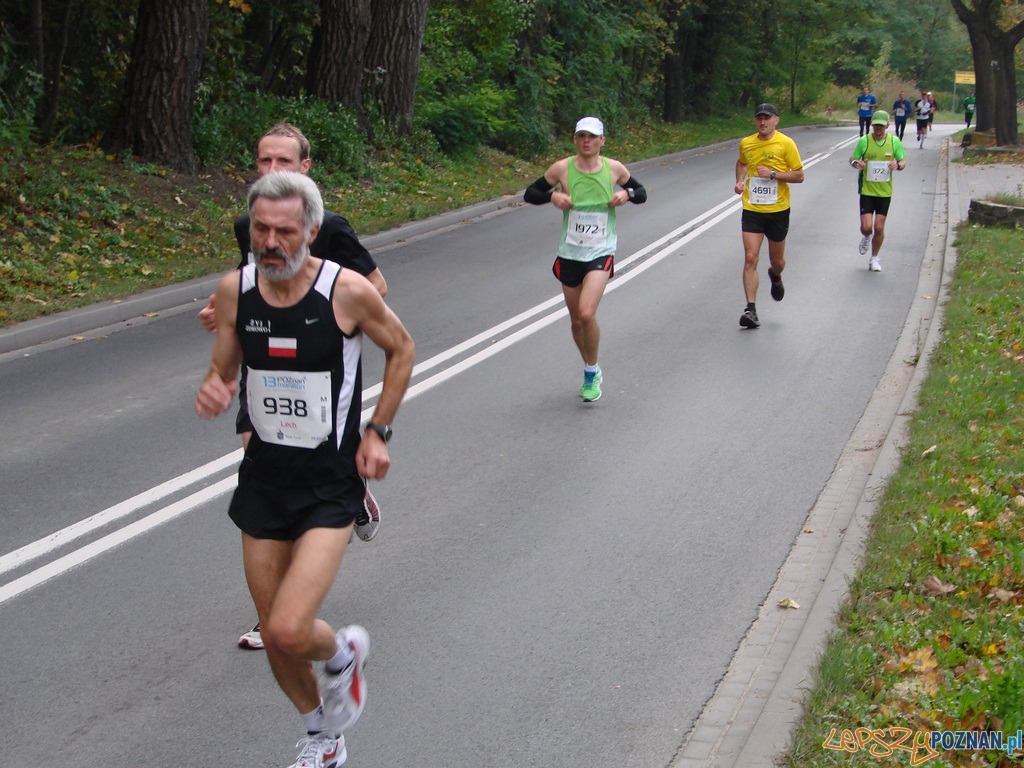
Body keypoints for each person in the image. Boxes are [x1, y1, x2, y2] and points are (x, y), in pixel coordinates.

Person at [195, 171, 415, 768]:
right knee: (273, 632)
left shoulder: (345, 292)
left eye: (284, 231)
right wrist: (217, 386)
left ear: (311, 231)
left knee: (292, 629)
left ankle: (343, 650)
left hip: (327, 482)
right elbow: (225, 364)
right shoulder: (237, 289)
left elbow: (402, 348)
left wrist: (378, 430)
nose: (271, 242)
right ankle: (322, 735)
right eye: (261, 229)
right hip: (264, 478)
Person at [198, 123, 388, 652]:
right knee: (261, 453)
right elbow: (251, 278)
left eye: (284, 161)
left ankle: (347, 496)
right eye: (264, 161)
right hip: (265, 363)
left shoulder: (330, 226)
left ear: (305, 167)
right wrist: (227, 314)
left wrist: (336, 313)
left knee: (317, 454)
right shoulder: (249, 224)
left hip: (322, 368)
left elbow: (375, 287)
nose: (273, 170)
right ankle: (277, 612)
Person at [523, 116, 647, 401]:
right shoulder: (561, 169)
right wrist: (552, 197)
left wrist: (626, 194)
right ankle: (591, 364)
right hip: (570, 252)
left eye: (592, 136)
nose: (586, 141)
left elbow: (641, 192)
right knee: (577, 320)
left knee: (587, 312)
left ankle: (591, 373)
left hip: (601, 250)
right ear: (575, 140)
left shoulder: (613, 168)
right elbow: (531, 193)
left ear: (602, 141)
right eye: (581, 136)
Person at [733, 103, 805, 329]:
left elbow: (799, 175)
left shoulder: (786, 144)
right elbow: (741, 163)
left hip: (778, 210)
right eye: (759, 118)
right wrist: (740, 180)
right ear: (755, 121)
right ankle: (751, 310)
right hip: (753, 209)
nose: (763, 122)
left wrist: (773, 174)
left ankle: (776, 276)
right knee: (751, 257)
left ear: (776, 120)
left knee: (777, 261)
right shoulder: (747, 143)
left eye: (767, 118)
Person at [849, 110, 906, 273]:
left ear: (887, 125)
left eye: (881, 125)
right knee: (867, 227)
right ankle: (867, 237)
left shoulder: (894, 141)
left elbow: (902, 160)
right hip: (867, 190)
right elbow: (852, 159)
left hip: (884, 192)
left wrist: (898, 166)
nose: (878, 128)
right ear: (872, 125)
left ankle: (874, 258)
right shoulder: (864, 141)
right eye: (876, 125)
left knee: (879, 228)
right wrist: (856, 164)